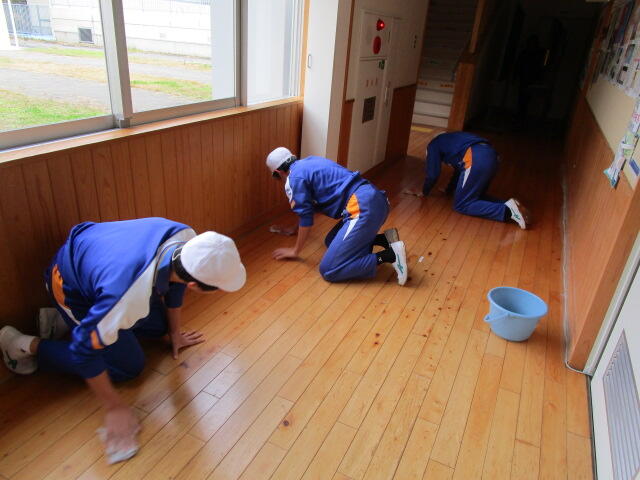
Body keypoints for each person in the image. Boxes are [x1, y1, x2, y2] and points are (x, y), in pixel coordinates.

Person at [0, 217, 246, 463]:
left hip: (95, 267)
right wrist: (114, 407)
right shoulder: (126, 296)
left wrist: (174, 333)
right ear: (195, 285)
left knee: (159, 325)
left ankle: (67, 320)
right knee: (127, 367)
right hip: (68, 284)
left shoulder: (186, 237)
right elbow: (83, 351)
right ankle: (23, 344)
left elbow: (176, 284)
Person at [266, 147, 408, 285]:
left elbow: (306, 218)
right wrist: (293, 229)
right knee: (331, 240)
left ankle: (390, 255)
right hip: (376, 200)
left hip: (363, 208)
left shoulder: (293, 180)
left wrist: (295, 251)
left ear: (279, 172)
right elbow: (308, 209)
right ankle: (384, 239)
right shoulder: (310, 161)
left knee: (329, 269)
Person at [405, 132, 530, 229]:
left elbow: (433, 174)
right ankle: (509, 204)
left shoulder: (433, 145)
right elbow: (459, 170)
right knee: (476, 196)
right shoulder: (451, 141)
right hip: (492, 157)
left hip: (476, 158)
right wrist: (448, 190)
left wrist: (424, 191)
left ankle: (507, 211)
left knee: (461, 205)